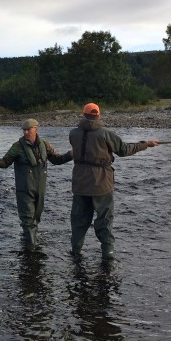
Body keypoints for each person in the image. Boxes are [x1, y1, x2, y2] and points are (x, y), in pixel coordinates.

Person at [69, 103, 159, 260]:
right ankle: (108, 256)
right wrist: (145, 144)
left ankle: (75, 253)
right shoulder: (105, 134)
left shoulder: (73, 133)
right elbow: (124, 150)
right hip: (101, 184)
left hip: (80, 184)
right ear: (98, 115)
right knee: (104, 221)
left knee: (79, 221)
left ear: (83, 115)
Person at [0, 119, 72, 249]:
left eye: (28, 130)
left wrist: (71, 154)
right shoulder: (17, 147)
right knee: (28, 220)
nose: (25, 132)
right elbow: (4, 163)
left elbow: (57, 160)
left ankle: (29, 243)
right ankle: (31, 250)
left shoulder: (45, 145)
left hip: (40, 189)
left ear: (36, 129)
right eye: (23, 130)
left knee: (36, 218)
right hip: (24, 189)